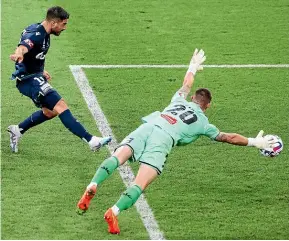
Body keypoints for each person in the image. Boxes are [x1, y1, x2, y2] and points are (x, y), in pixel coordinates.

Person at [76, 49, 276, 234]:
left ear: (194, 99)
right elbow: (228, 137)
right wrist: (253, 142)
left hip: (150, 126)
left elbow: (186, 84)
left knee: (118, 157)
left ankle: (92, 185)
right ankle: (114, 211)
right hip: (163, 140)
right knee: (140, 183)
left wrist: (193, 66)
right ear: (207, 106)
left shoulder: (178, 99)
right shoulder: (204, 123)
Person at [8, 6, 111, 153]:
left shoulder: (42, 32)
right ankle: (92, 141)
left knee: (50, 112)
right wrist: (19, 54)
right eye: (64, 24)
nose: (64, 28)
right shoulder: (37, 34)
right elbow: (24, 46)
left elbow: (33, 53)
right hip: (27, 80)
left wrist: (40, 70)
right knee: (60, 105)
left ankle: (17, 130)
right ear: (54, 22)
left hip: (34, 76)